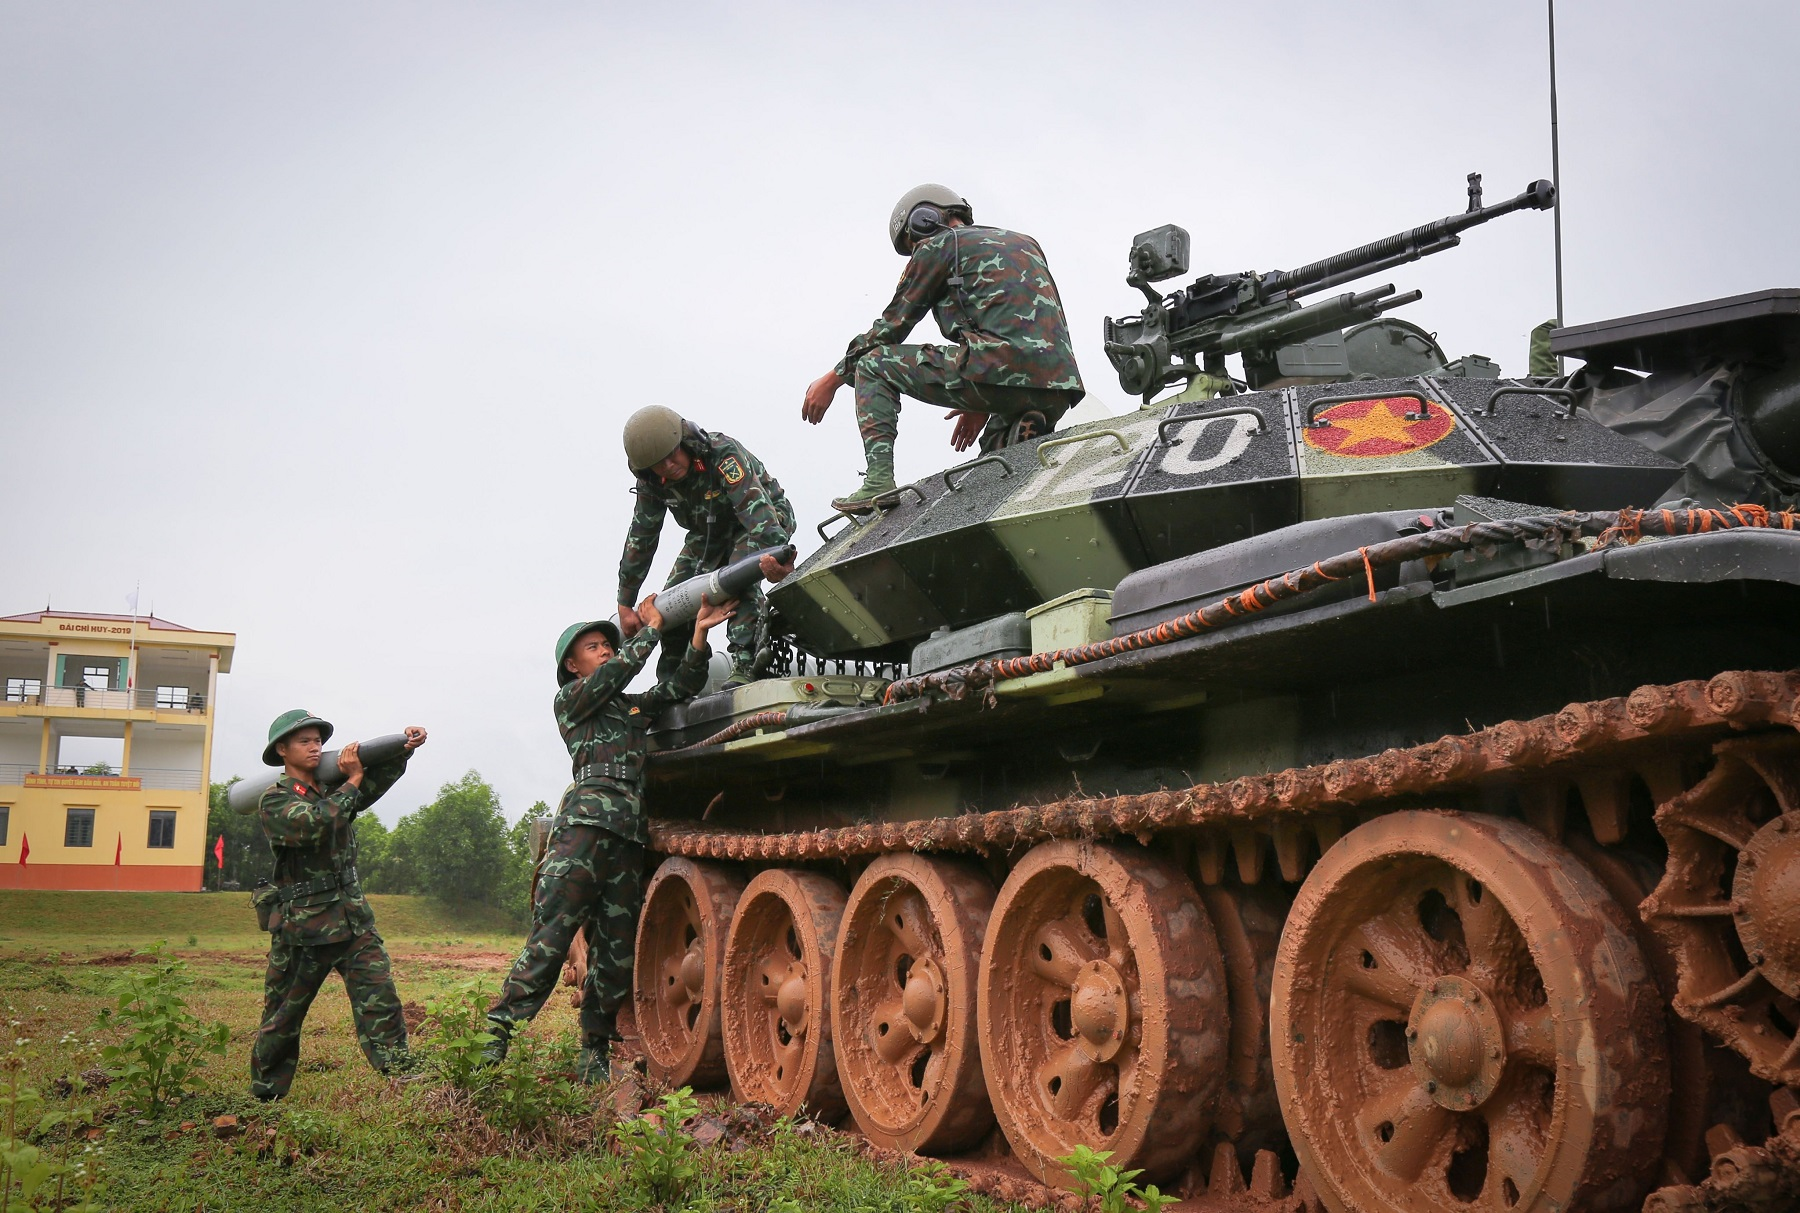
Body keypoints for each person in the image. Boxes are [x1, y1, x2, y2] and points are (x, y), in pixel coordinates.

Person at [484, 590, 735, 1082]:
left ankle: (594, 1049)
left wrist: (700, 633)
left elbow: (676, 689)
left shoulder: (625, 709)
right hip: (583, 832)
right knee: (551, 940)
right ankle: (495, 1036)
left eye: (606, 643)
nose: (605, 650)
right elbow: (618, 672)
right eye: (594, 647)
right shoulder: (573, 702)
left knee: (616, 952)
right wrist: (653, 631)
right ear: (574, 667)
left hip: (626, 838)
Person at [801, 183, 1086, 513]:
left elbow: (891, 328)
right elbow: (1017, 323)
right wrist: (982, 397)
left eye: (912, 241)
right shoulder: (1026, 243)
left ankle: (878, 482)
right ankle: (1020, 426)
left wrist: (833, 379)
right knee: (997, 458)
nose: (916, 250)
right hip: (1058, 387)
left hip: (996, 370)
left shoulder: (937, 245)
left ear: (926, 219)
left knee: (873, 364)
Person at [249, 709, 426, 1100]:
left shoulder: (332, 791)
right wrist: (353, 780)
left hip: (352, 920)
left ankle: (404, 1079)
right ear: (282, 750)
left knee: (381, 1000)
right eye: (304, 741)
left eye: (318, 741)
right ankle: (266, 1095)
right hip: (304, 928)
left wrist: (404, 747)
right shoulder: (275, 800)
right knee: (284, 1016)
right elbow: (315, 824)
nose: (315, 748)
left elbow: (372, 786)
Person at [617, 405, 795, 688]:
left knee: (739, 578)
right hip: (706, 534)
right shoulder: (652, 482)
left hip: (760, 521)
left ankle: (745, 664)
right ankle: (676, 682)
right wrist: (625, 601)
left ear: (684, 442)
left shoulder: (721, 453)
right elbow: (642, 535)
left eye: (671, 455)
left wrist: (776, 559)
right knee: (673, 603)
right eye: (658, 464)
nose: (668, 467)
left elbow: (757, 513)